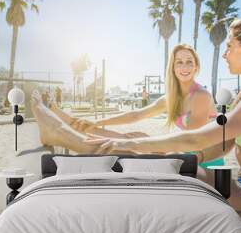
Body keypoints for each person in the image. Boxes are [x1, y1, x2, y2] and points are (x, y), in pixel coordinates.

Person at [84, 17, 241, 212]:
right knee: (172, 168)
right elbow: (226, 143)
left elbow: (197, 138)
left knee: (170, 173)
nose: (225, 53)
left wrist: (128, 145)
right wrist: (195, 157)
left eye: (229, 46)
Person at [31, 44, 224, 172]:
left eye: (189, 61)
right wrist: (99, 121)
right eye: (179, 62)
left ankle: (63, 133)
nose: (185, 66)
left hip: (202, 163)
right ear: (172, 67)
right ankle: (74, 124)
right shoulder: (172, 97)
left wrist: (142, 142)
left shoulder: (200, 96)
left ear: (197, 66)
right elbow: (135, 115)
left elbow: (190, 142)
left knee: (128, 143)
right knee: (130, 135)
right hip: (185, 152)